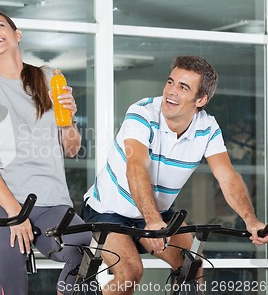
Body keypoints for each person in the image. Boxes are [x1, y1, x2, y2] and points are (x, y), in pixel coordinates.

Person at [82, 55, 268, 295]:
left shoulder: (208, 128)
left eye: (183, 87)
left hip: (155, 212)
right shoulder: (142, 113)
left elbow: (227, 176)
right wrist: (151, 219)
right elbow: (136, 166)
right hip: (109, 210)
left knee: (192, 264)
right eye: (170, 82)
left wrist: (250, 219)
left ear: (201, 99)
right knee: (129, 272)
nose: (171, 91)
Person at [0, 10, 91, 295]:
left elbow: (71, 148)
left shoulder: (47, 77)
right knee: (13, 290)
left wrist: (68, 118)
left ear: (17, 35)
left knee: (82, 250)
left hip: (50, 199)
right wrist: (15, 214)